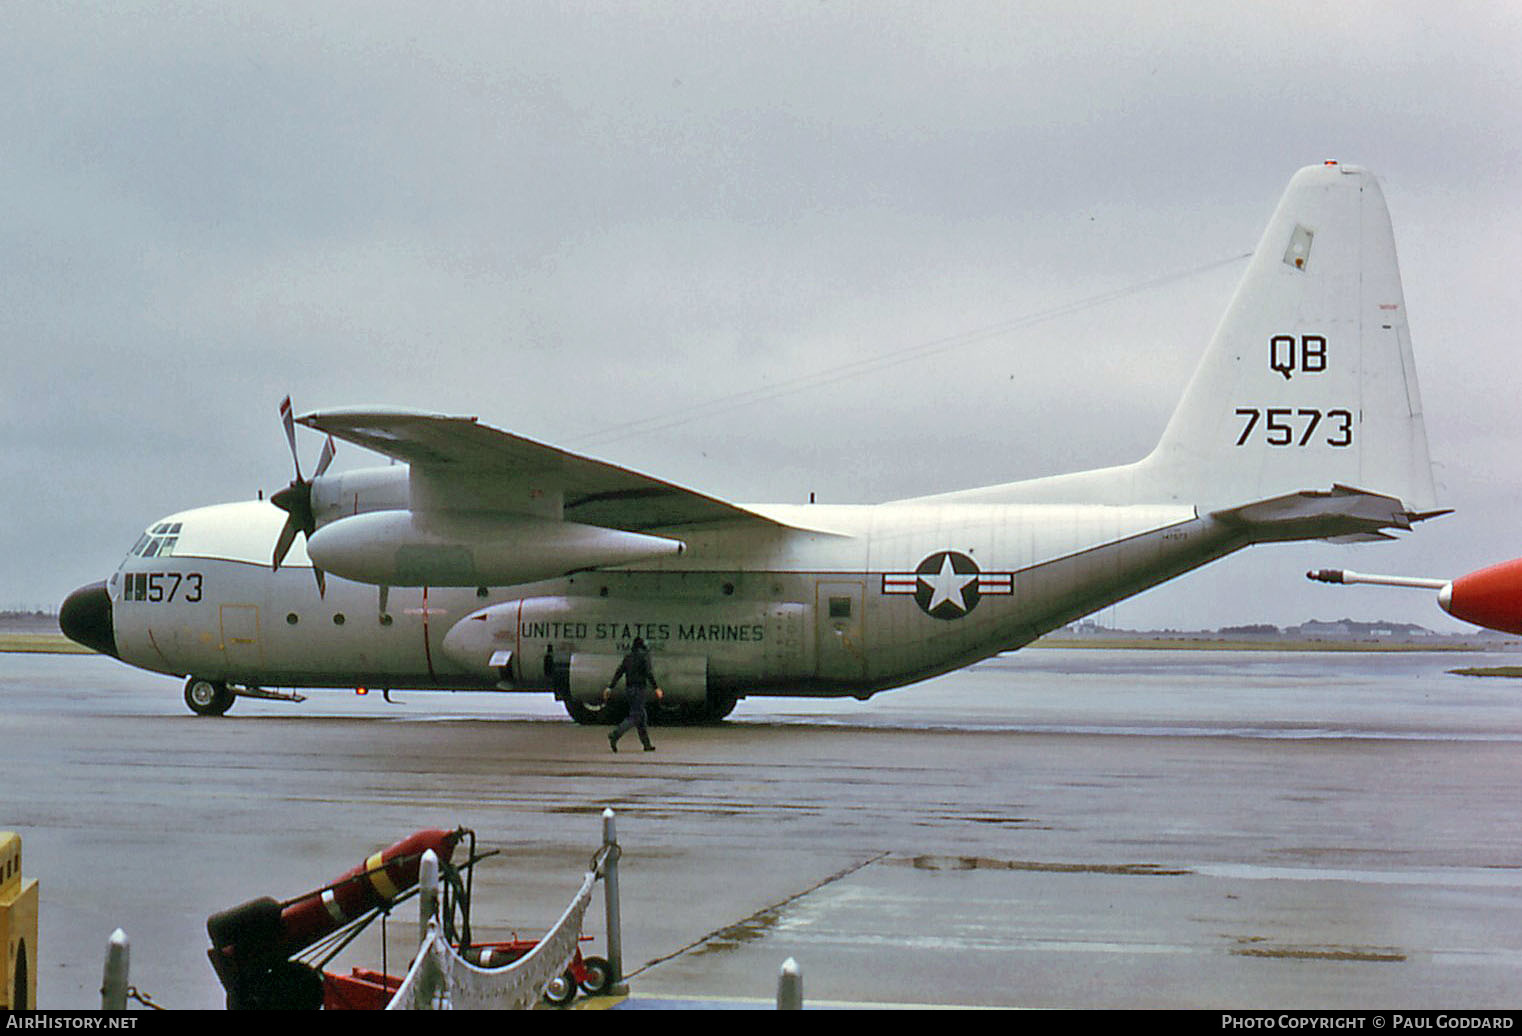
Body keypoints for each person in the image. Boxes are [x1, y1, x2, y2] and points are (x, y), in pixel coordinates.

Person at [604, 638, 663, 752]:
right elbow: (648, 673)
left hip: (629, 689)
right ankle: (615, 734)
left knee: (642, 716)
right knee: (636, 716)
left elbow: (619, 672)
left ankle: (646, 744)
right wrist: (656, 688)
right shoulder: (644, 657)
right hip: (639, 689)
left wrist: (610, 687)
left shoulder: (628, 657)